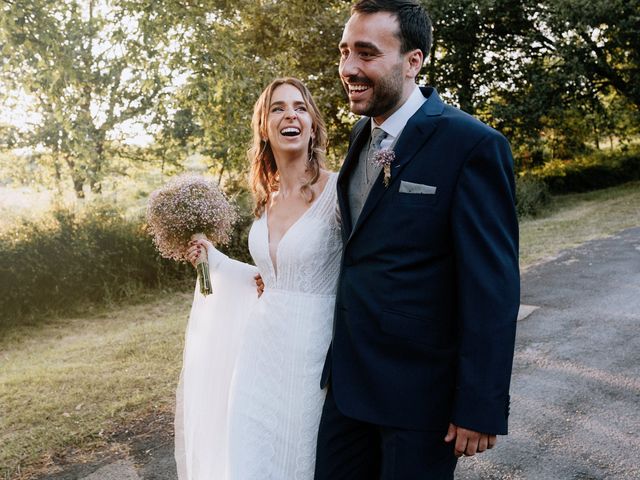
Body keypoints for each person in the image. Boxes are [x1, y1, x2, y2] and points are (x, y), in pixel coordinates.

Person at [314, 1, 520, 479]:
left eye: (366, 54)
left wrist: (479, 404)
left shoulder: (471, 145)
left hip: (420, 399)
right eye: (345, 52)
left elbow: (491, 287)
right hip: (348, 388)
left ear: (413, 61)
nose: (349, 68)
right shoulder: (362, 136)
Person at [175, 77, 341, 479]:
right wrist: (211, 258)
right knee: (251, 459)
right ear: (264, 128)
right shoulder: (267, 198)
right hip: (258, 353)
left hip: (314, 352)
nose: (291, 115)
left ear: (313, 124)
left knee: (302, 457)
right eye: (278, 108)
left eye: (300, 107)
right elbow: (270, 277)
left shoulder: (339, 190)